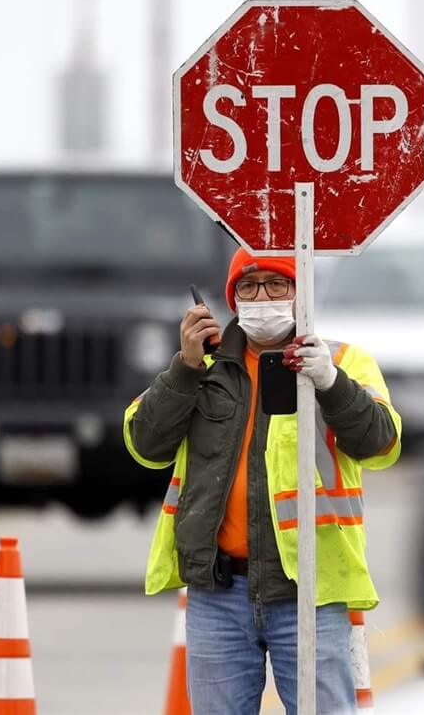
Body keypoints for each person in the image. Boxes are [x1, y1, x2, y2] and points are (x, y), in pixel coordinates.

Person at [123, 248, 402, 713]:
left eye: (277, 285)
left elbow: (381, 444)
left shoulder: (343, 360)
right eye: (249, 287)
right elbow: (145, 444)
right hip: (219, 594)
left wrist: (331, 383)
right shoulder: (202, 366)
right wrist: (184, 367)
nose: (263, 298)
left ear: (300, 293)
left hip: (309, 592)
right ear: (232, 298)